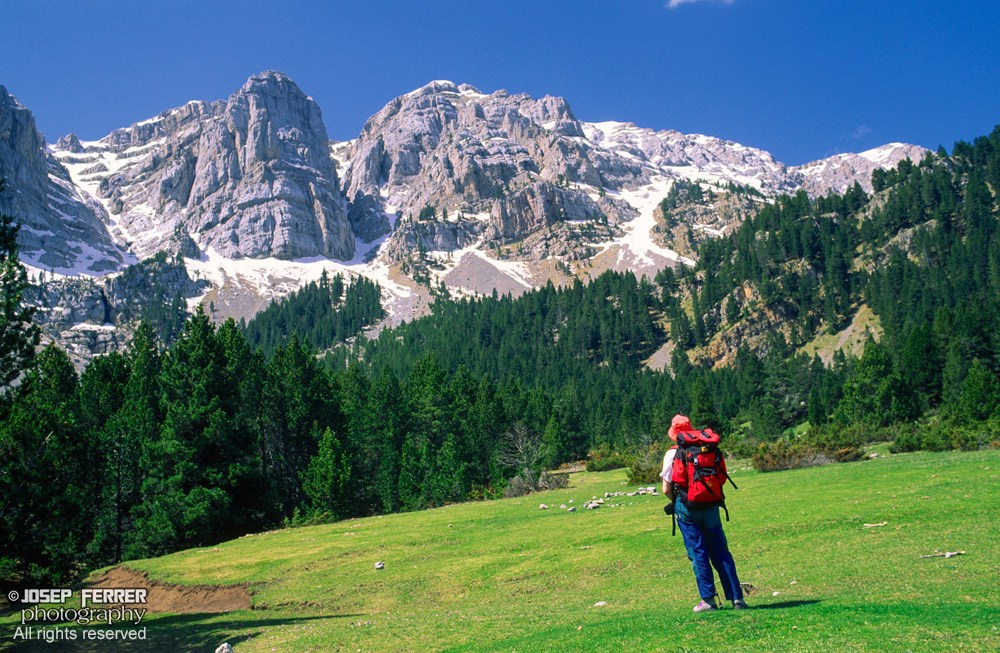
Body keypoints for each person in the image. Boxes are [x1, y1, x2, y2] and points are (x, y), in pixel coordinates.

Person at [661, 414, 748, 612]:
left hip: (687, 510)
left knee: (698, 552)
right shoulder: (707, 448)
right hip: (711, 506)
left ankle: (708, 600)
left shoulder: (673, 453)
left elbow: (666, 489)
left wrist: (679, 502)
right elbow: (721, 478)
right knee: (721, 552)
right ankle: (737, 598)